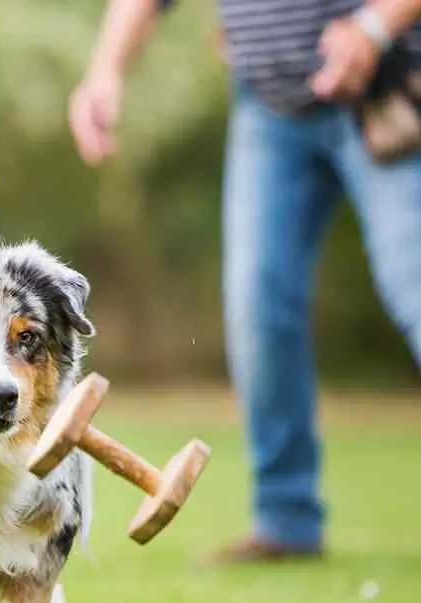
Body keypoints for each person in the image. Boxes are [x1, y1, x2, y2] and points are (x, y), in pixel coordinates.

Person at [69, 0, 421, 563]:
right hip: (270, 107)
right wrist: (104, 71)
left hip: (389, 85)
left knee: (415, 287)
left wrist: (374, 24)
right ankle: (286, 519)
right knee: (258, 307)